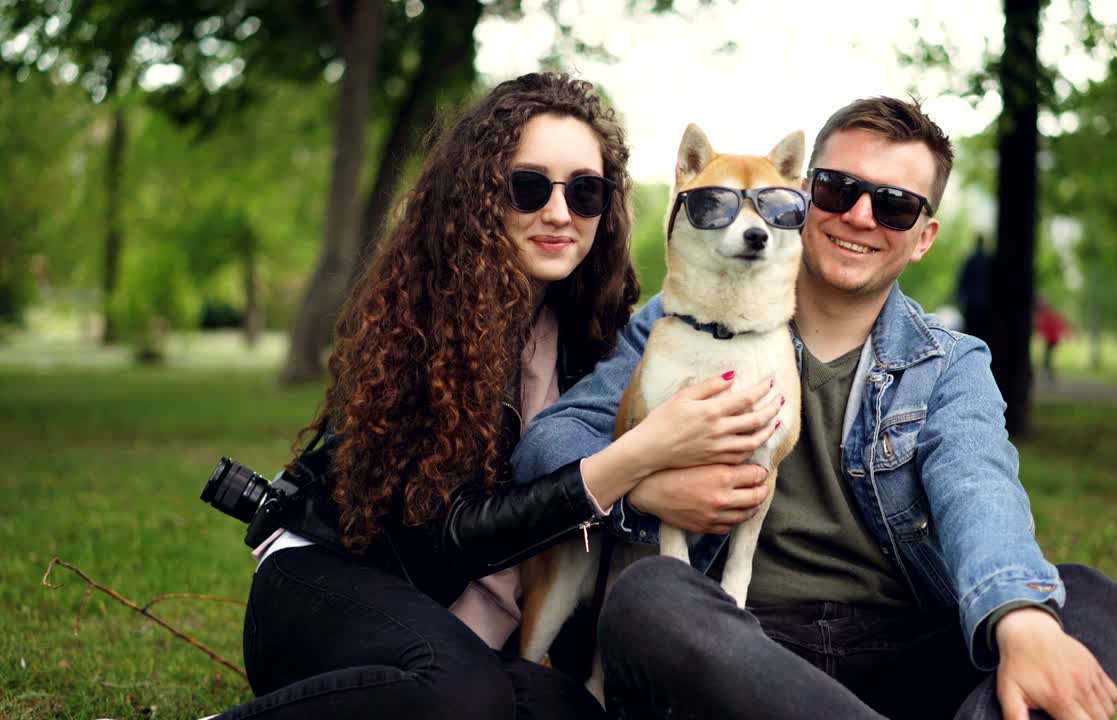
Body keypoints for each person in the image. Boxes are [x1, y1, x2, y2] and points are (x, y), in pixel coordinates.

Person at [511, 97, 1117, 719]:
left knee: (1089, 600)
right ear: (802, 199)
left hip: (905, 643)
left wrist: (1020, 620)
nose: (862, 218)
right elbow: (550, 442)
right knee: (649, 597)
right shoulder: (682, 322)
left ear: (924, 238)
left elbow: (980, 489)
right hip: (740, 641)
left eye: (895, 206)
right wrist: (642, 485)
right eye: (839, 190)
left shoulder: (947, 362)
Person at [211, 72, 777, 720]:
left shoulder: (595, 328)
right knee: (462, 696)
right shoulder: (429, 320)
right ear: (479, 193)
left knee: (572, 711)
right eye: (528, 186)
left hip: (464, 629)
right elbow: (445, 536)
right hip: (332, 579)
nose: (560, 213)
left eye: (585, 192)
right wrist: (632, 462)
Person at [1035, 297, 1071, 382]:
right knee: (1047, 360)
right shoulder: (1047, 315)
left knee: (1047, 360)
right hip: (1051, 340)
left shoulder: (1049, 315)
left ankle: (1051, 378)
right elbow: (1044, 327)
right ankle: (1050, 378)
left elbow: (1055, 325)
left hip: (1052, 340)